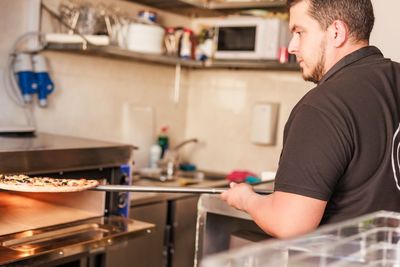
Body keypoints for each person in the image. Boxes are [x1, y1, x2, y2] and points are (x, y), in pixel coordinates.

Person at [221, 0, 400, 238]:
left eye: (299, 32)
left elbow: (290, 223)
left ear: (336, 32)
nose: (292, 46)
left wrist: (246, 199)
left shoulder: (322, 106)